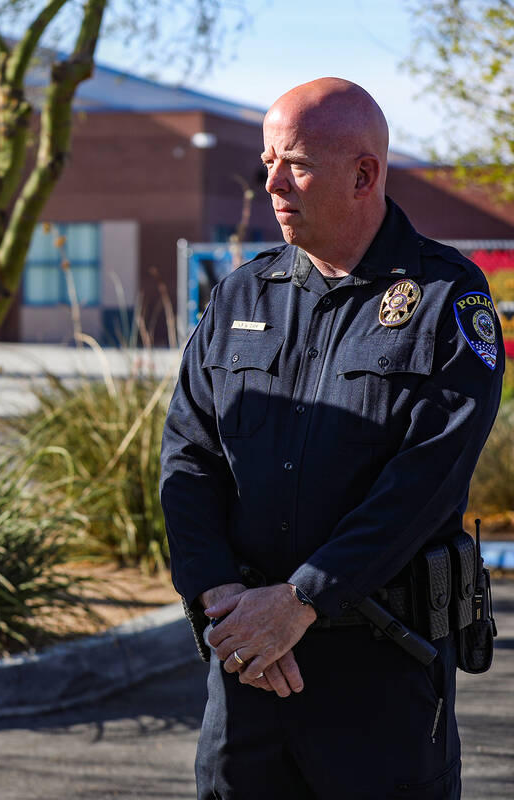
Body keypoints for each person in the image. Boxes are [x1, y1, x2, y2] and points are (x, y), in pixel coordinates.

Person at [160, 78, 503, 798]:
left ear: (364, 175)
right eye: (267, 161)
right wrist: (222, 599)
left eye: (297, 165)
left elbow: (425, 480)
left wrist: (303, 599)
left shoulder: (445, 297)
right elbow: (188, 458)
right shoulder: (241, 294)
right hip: (248, 663)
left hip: (379, 671)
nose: (272, 182)